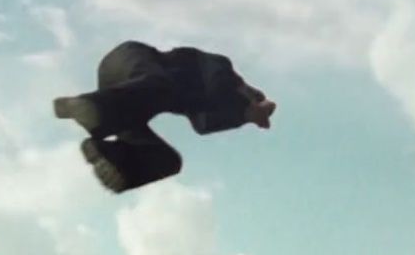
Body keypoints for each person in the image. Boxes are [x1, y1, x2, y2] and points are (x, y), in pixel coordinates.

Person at [53, 40, 276, 193]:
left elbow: (204, 125)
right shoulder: (221, 67)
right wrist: (248, 103)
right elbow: (220, 84)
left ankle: (111, 158)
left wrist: (246, 116)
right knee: (160, 86)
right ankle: (90, 107)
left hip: (127, 101)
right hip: (126, 59)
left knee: (168, 161)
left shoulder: (209, 105)